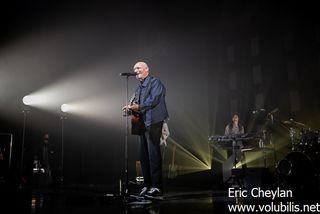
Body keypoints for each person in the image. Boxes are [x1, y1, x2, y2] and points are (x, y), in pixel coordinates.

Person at [123, 61, 169, 199]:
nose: (135, 70)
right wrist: (129, 108)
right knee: (143, 155)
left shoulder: (155, 82)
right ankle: (147, 185)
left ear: (146, 70)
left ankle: (157, 187)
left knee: (153, 154)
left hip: (154, 121)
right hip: (142, 124)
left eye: (138, 68)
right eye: (134, 68)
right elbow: (136, 103)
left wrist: (138, 107)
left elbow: (154, 100)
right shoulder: (139, 88)